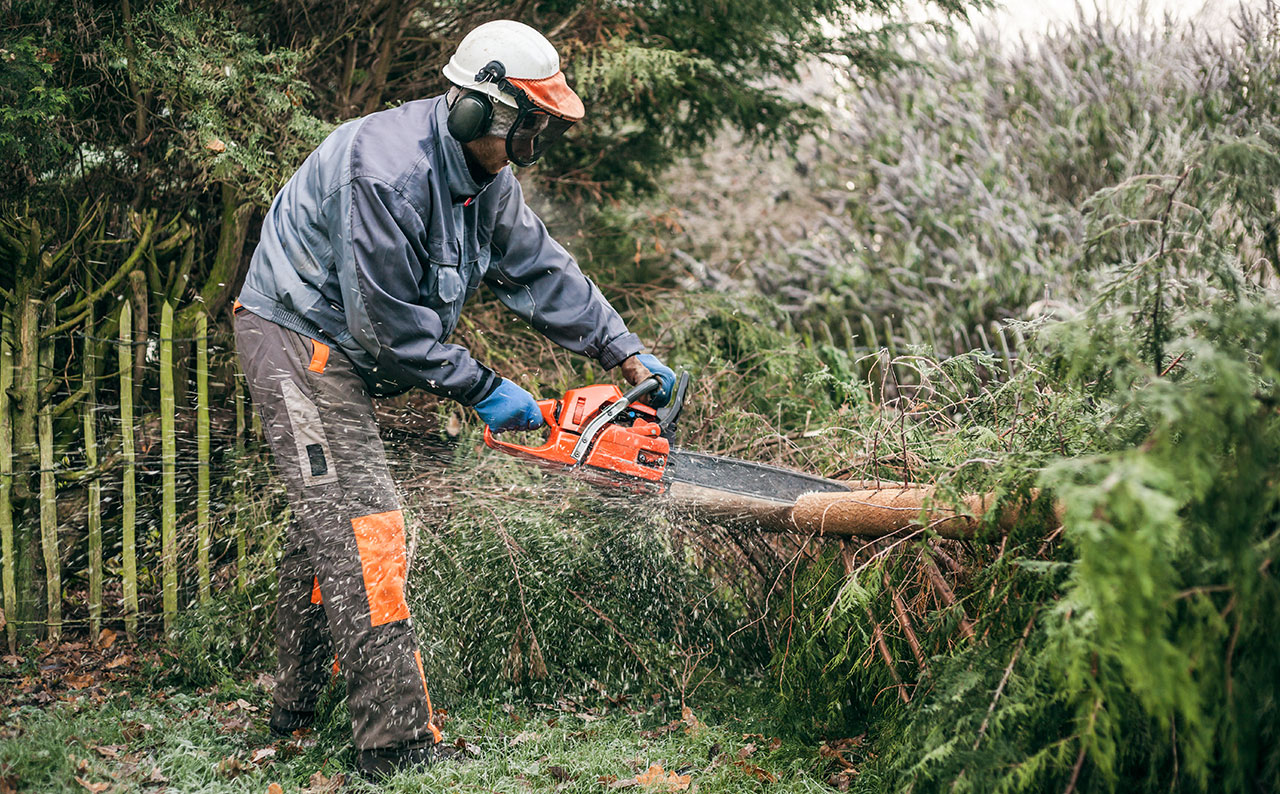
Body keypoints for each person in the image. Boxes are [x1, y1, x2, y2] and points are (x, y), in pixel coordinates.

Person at [232, 19, 675, 777]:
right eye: (527, 125)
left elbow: (539, 268)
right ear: (479, 110)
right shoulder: (386, 171)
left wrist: (621, 348)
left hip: (356, 342)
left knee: (327, 525)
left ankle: (295, 708)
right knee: (368, 528)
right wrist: (487, 389)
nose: (533, 143)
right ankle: (394, 742)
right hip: (298, 339)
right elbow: (389, 330)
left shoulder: (485, 180)